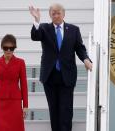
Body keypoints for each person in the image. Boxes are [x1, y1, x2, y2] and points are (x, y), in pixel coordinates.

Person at [29, 3, 92, 131]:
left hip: (67, 76)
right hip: (50, 76)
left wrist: (86, 59)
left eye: (58, 13)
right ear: (50, 15)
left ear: (63, 14)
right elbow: (35, 36)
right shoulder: (44, 28)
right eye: (53, 13)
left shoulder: (74, 30)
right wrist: (36, 20)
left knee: (66, 110)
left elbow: (79, 48)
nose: (56, 16)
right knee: (54, 110)